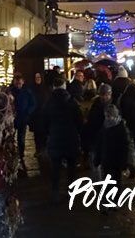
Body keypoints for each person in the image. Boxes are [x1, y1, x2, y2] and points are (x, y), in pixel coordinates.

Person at [45, 75, 83, 203]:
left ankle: (55, 191)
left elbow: (44, 122)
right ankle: (71, 191)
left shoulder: (49, 103)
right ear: (64, 86)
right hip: (70, 138)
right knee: (71, 167)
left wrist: (48, 133)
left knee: (56, 168)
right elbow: (79, 121)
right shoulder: (72, 102)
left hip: (55, 138)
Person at [94, 104, 131, 190]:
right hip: (106, 160)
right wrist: (97, 159)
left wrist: (125, 164)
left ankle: (115, 198)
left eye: (110, 116)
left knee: (116, 182)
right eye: (107, 116)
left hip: (116, 161)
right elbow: (99, 144)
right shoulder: (104, 127)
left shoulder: (121, 128)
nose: (108, 118)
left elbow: (125, 147)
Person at [82, 83, 112, 177]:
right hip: (98, 139)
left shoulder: (110, 107)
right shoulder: (96, 107)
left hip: (104, 140)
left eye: (106, 94)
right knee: (98, 164)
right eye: (103, 94)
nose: (105, 97)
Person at [9, 74, 35, 165]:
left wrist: (28, 112)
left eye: (20, 83)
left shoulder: (27, 91)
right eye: (17, 83)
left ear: (23, 82)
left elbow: (33, 103)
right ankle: (11, 153)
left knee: (21, 138)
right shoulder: (10, 91)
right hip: (12, 118)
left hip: (23, 117)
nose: (18, 85)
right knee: (10, 137)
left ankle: (21, 154)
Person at [29, 72, 51, 157]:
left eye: (39, 77)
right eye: (36, 77)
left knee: (44, 133)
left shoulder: (45, 88)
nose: (38, 79)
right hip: (36, 116)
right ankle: (38, 150)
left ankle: (44, 149)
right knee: (37, 134)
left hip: (44, 115)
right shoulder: (31, 89)